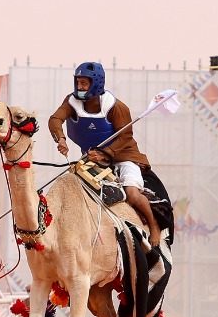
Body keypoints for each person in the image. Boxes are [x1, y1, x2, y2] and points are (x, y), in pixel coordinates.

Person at [48, 61, 163, 246]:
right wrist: (60, 139)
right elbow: (55, 119)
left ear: (96, 83)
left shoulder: (116, 107)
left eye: (84, 83)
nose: (80, 87)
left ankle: (154, 225)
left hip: (124, 157)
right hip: (92, 158)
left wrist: (105, 154)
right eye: (78, 83)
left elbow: (125, 136)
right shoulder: (71, 102)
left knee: (132, 194)